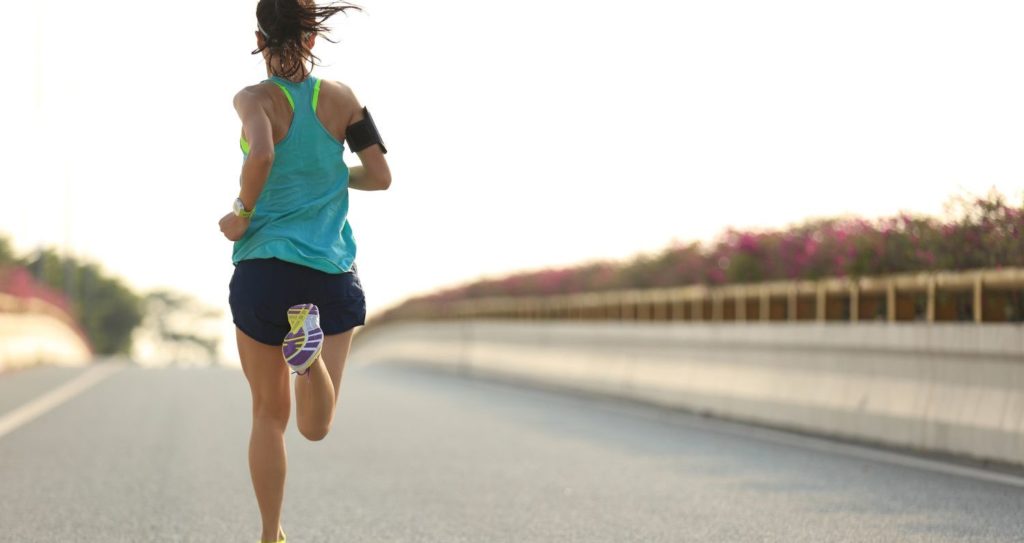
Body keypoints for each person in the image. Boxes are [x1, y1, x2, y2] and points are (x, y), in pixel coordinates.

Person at [218, 1, 391, 541]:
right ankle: (309, 359)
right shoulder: (342, 99)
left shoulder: (253, 99)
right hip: (329, 274)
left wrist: (241, 214)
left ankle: (271, 534)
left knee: (270, 416)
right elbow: (381, 175)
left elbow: (262, 154)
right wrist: (336, 178)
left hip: (265, 271)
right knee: (316, 426)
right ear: (313, 38)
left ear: (257, 36)